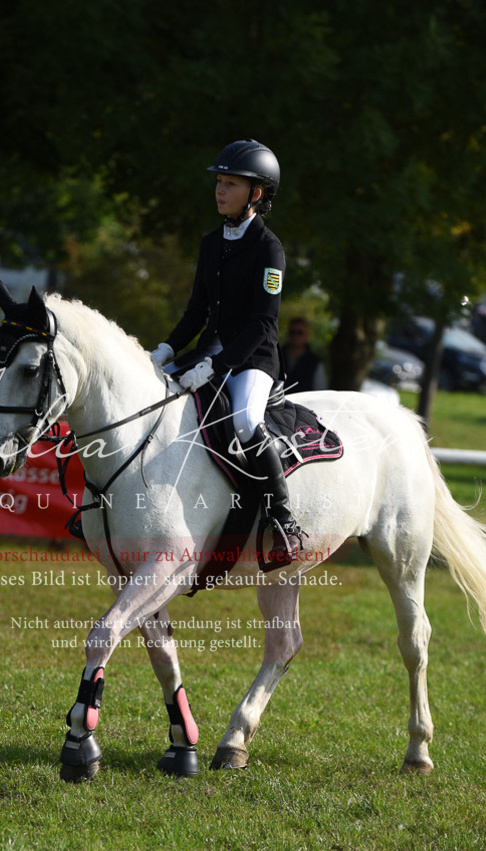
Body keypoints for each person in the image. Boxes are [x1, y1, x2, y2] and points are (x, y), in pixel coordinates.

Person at [151, 139, 302, 562]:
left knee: (245, 421)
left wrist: (216, 365)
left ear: (256, 193)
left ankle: (283, 519)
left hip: (252, 359)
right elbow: (196, 311)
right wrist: (166, 349)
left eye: (230, 184)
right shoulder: (210, 243)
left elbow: (263, 323)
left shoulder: (269, 248)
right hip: (206, 354)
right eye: (219, 182)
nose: (220, 190)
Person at [281, 316, 328, 392]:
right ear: (288, 334)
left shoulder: (315, 362)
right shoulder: (276, 358)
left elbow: (320, 391)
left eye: (300, 333)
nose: (296, 336)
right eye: (292, 332)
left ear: (306, 335)